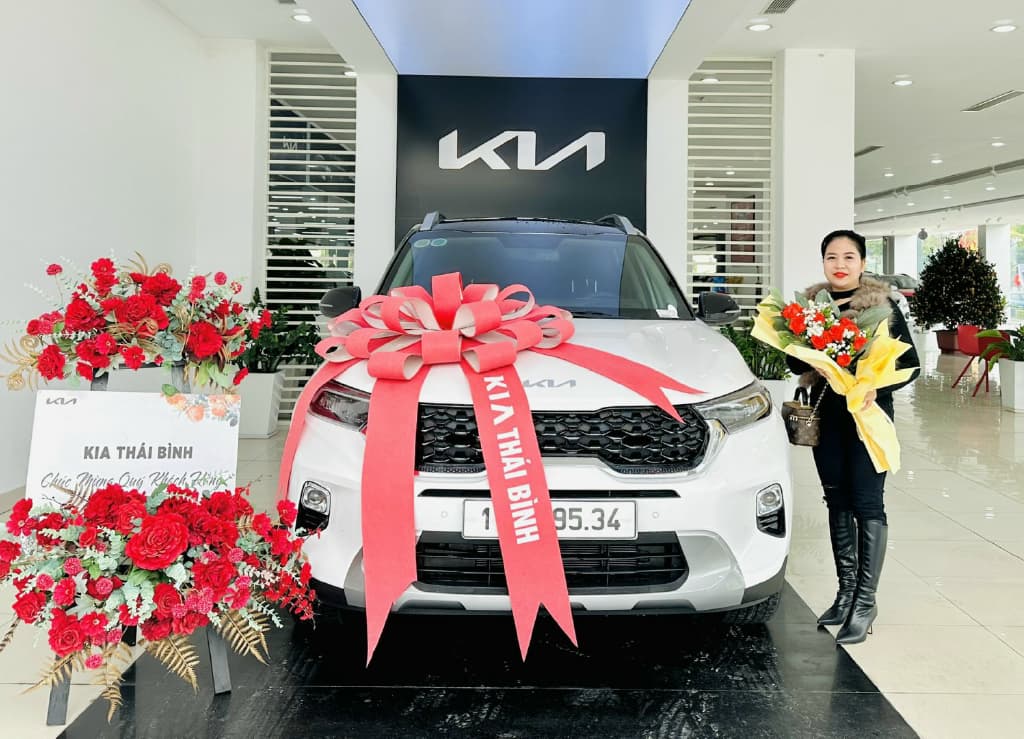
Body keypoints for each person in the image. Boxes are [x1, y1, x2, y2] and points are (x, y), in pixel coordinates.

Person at [787, 229, 920, 645]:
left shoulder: (882, 307)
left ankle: (865, 602)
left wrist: (875, 387)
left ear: (862, 263)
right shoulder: (813, 308)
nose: (840, 264)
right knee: (837, 499)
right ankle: (845, 594)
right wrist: (811, 354)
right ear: (823, 263)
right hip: (827, 416)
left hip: (867, 416)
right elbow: (793, 364)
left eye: (848, 257)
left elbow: (911, 365)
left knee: (866, 502)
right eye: (832, 257)